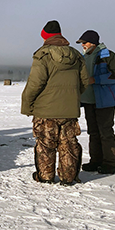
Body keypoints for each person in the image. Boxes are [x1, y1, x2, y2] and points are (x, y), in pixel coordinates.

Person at [21, 20, 89, 185]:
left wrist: (27, 105)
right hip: (69, 110)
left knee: (46, 144)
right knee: (68, 144)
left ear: (45, 36)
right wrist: (72, 97)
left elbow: (35, 84)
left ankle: (45, 177)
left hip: (46, 110)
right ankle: (68, 177)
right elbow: (85, 81)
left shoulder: (43, 55)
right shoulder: (76, 55)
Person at [77, 30, 115, 174]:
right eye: (82, 43)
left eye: (85, 42)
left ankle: (110, 164)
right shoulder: (83, 58)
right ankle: (95, 161)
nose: (83, 45)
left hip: (105, 101)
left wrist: (96, 79)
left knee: (106, 132)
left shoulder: (108, 55)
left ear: (93, 42)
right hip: (88, 101)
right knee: (93, 132)